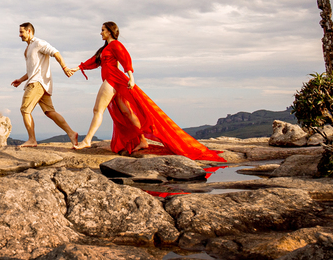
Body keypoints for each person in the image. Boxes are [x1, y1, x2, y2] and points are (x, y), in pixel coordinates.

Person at [67, 22, 223, 162]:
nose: (100, 33)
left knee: (97, 110)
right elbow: (95, 61)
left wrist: (131, 77)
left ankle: (87, 140)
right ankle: (142, 140)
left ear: (109, 31)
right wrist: (77, 68)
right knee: (127, 113)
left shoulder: (115, 45)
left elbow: (125, 58)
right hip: (112, 79)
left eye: (102, 30)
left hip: (113, 79)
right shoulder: (105, 48)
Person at [11, 22, 79, 148]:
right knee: (49, 112)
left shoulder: (38, 43)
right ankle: (71, 133)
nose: (19, 35)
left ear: (29, 31)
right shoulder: (28, 49)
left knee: (25, 110)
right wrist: (20, 80)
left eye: (22, 32)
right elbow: (33, 70)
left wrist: (64, 67)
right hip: (39, 82)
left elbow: (56, 53)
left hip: (37, 83)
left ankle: (32, 140)